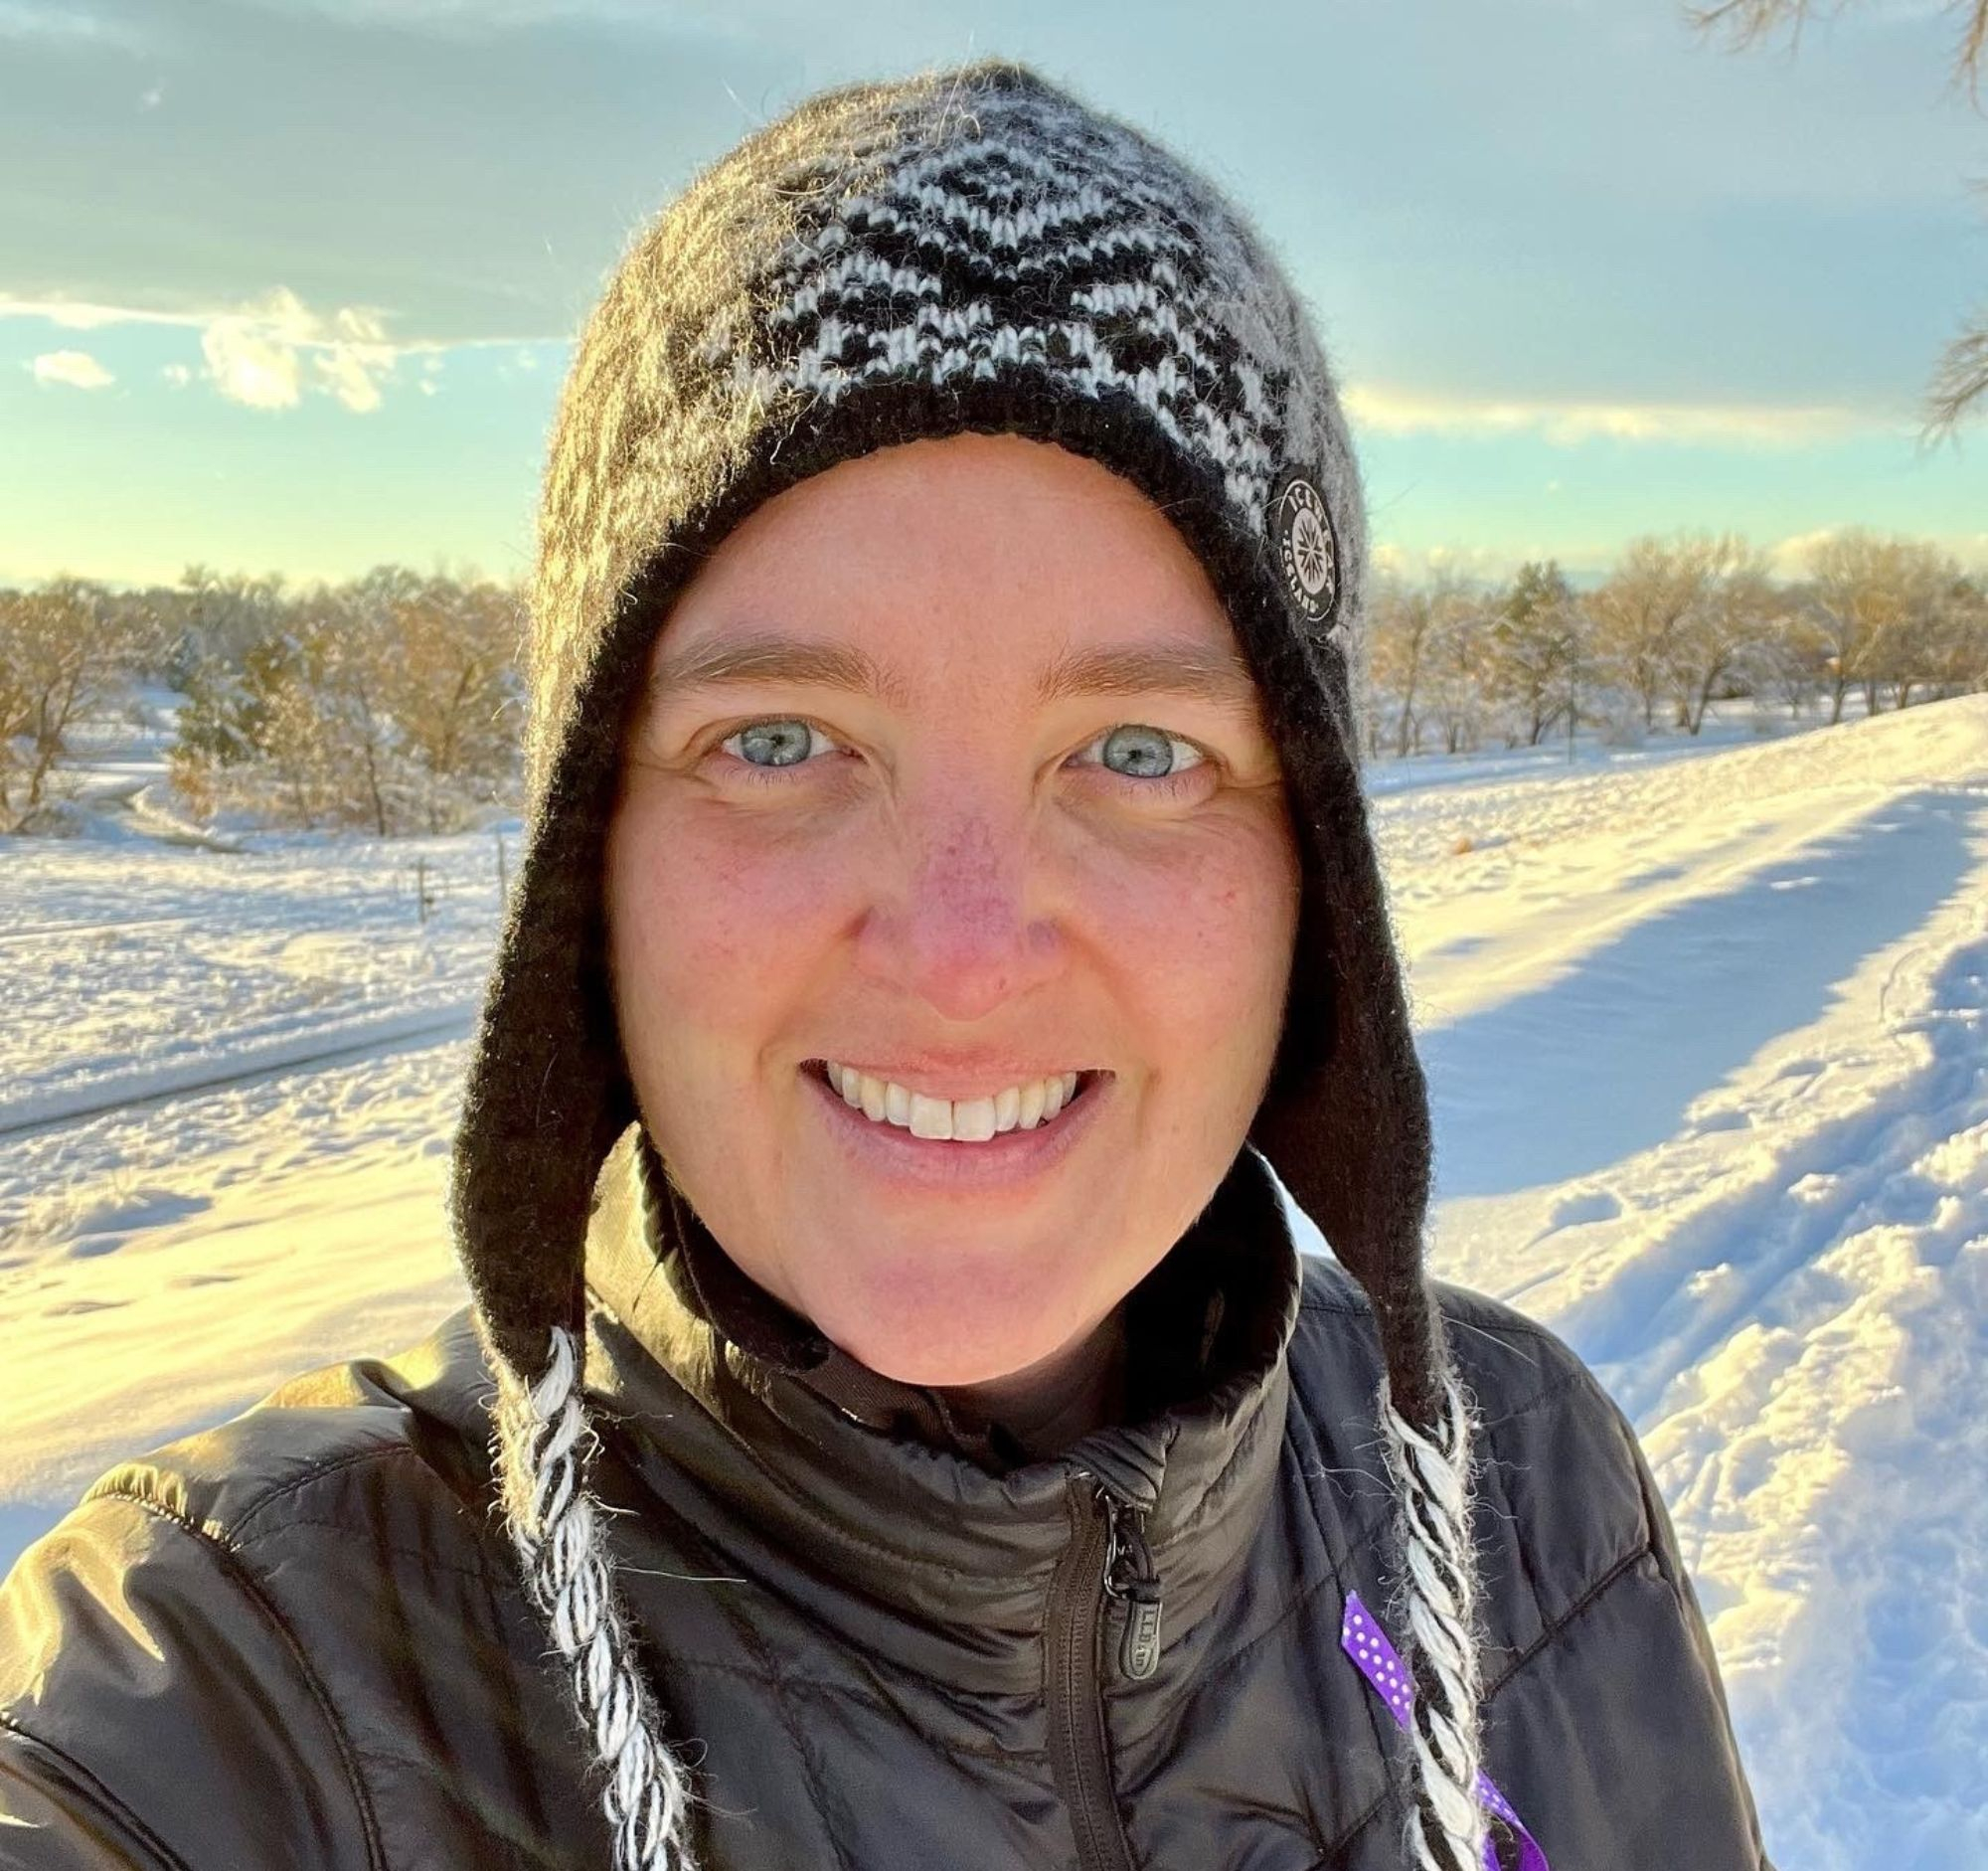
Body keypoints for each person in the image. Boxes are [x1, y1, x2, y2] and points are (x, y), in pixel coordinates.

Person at [0, 60, 1771, 1871]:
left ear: (1308, 869)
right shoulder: (226, 1699)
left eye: (1140, 753)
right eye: (779, 741)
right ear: (583, 864)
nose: (964, 952)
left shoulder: (1527, 1489)